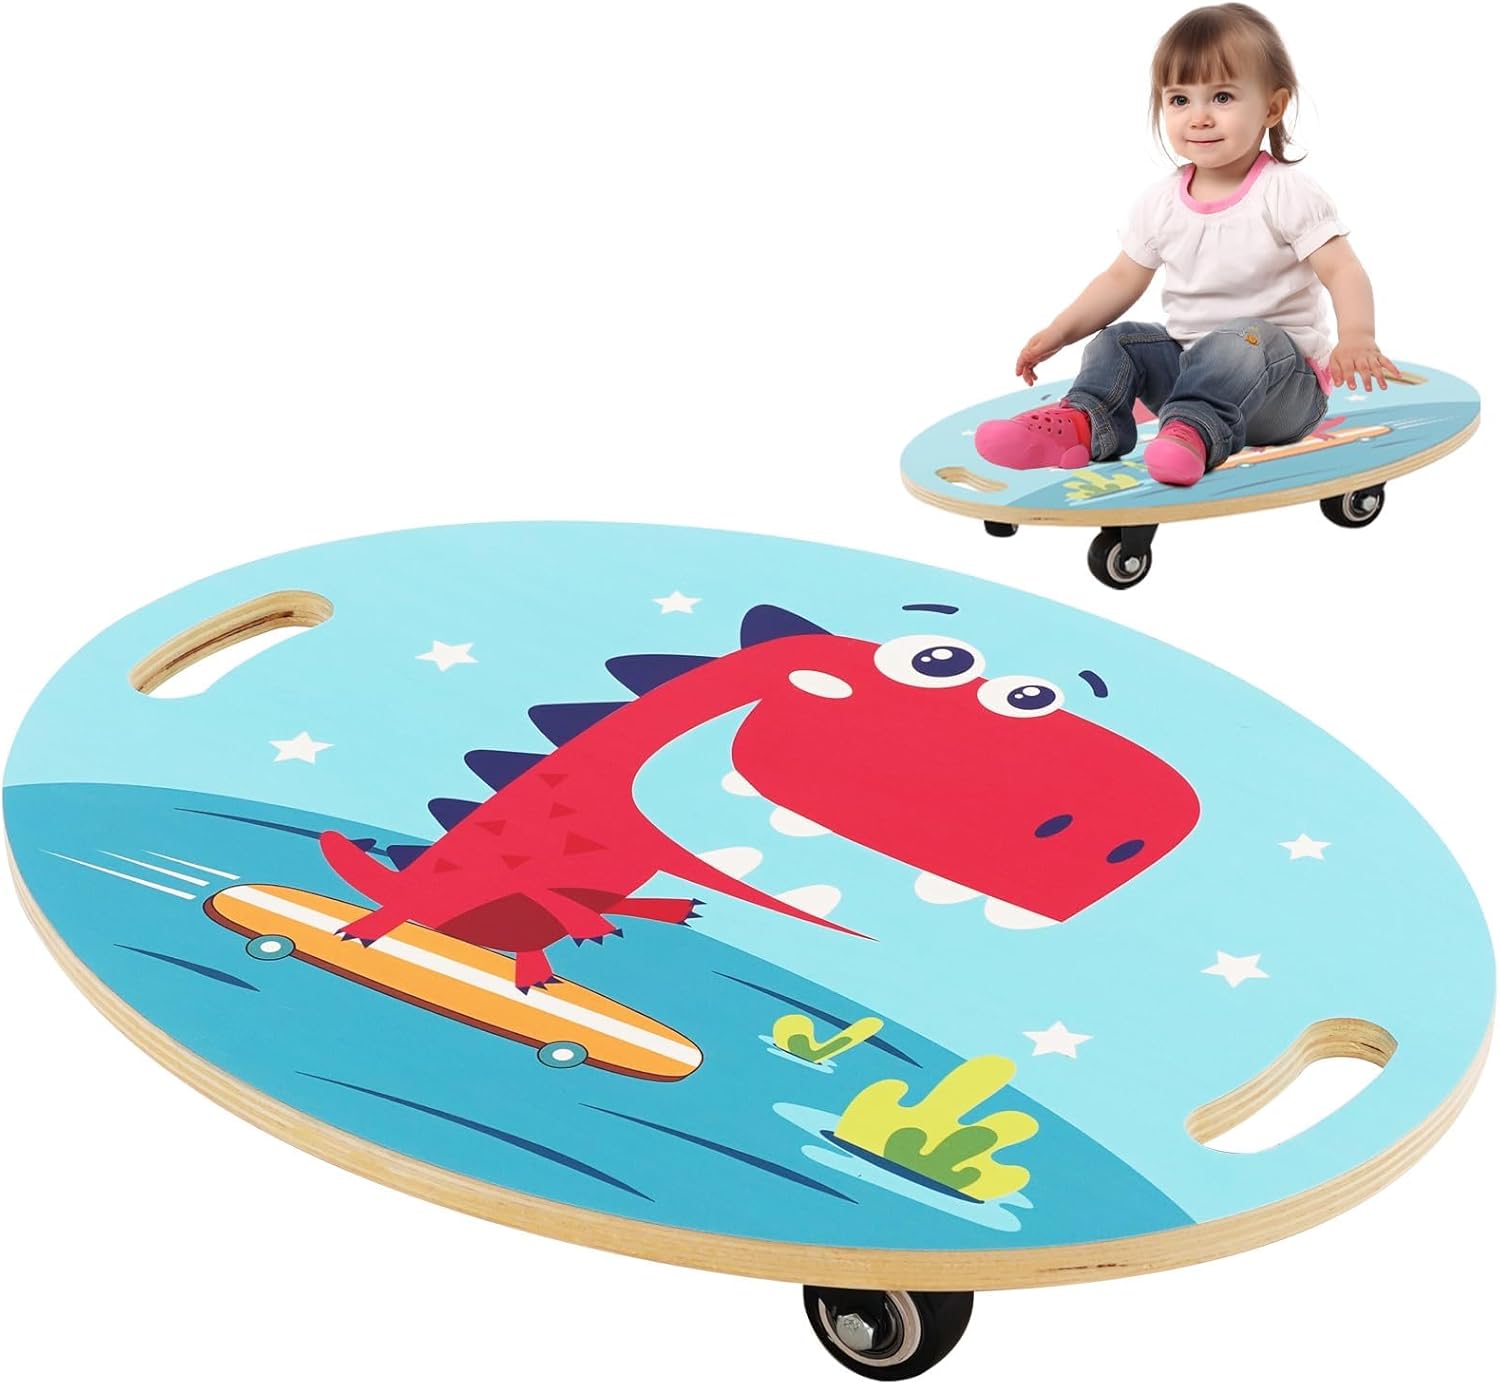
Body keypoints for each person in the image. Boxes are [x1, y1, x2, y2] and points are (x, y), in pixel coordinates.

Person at [973, 3, 1400, 486]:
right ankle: (1086, 422)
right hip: (1190, 377)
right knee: (1119, 340)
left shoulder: (1286, 192)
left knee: (1243, 337)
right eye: (1179, 100)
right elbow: (1120, 279)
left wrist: (1357, 336)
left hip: (1283, 391)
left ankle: (1195, 431)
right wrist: (1059, 332)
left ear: (1272, 108)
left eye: (1222, 97)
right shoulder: (1160, 203)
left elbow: (1341, 268)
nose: (1199, 118)